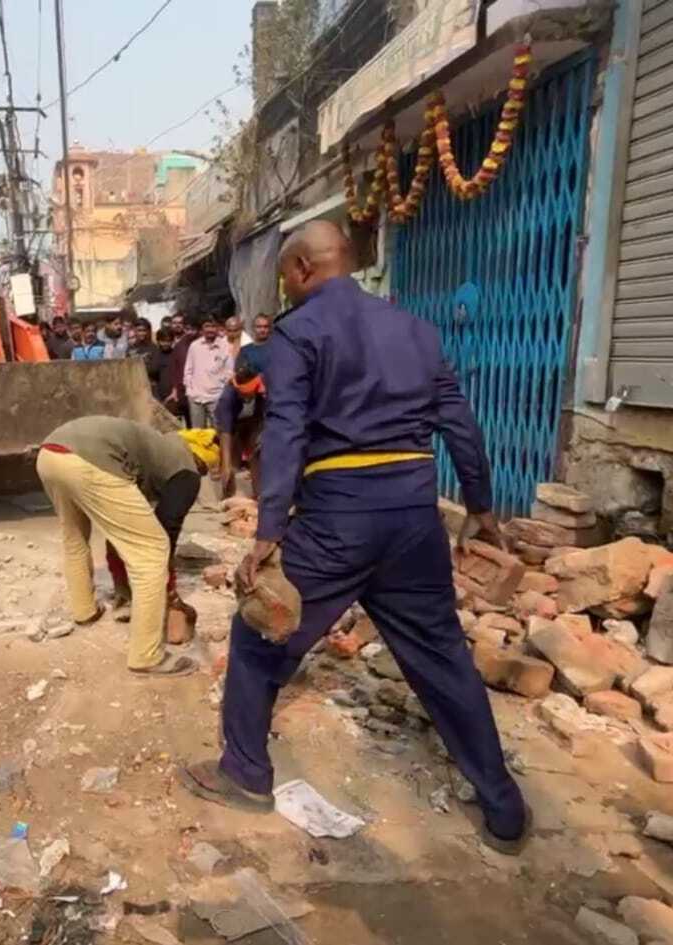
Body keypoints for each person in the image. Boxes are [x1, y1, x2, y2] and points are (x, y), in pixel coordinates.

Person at [178, 220, 530, 855]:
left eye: (284, 276)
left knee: (259, 633)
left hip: (338, 516)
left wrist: (269, 529)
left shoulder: (299, 332)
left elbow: (286, 430)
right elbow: (460, 423)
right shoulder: (416, 330)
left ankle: (245, 773)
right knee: (442, 656)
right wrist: (479, 505)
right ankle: (504, 808)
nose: (284, 289)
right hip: (415, 515)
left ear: (303, 269)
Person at [36, 416, 218, 677]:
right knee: (152, 552)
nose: (200, 475)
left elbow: (121, 528)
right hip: (89, 460)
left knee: (74, 537)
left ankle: (85, 611)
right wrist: (169, 589)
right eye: (204, 470)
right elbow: (167, 528)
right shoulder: (187, 472)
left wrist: (123, 584)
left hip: (51, 454)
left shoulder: (158, 449)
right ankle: (147, 656)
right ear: (200, 461)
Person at [215, 341, 270, 499]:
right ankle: (228, 494)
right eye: (242, 395)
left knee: (256, 452)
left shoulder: (264, 387)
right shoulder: (228, 398)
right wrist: (226, 465)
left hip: (256, 419)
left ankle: (259, 494)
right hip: (234, 423)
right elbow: (225, 433)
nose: (245, 398)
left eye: (248, 395)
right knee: (230, 459)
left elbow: (263, 419)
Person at [182, 317, 233, 429]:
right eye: (207, 326)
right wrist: (189, 389)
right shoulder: (194, 346)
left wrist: (221, 390)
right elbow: (188, 369)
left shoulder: (225, 346)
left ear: (217, 328)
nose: (210, 329)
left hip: (216, 397)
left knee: (219, 431)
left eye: (213, 326)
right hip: (196, 397)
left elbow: (230, 371)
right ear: (202, 329)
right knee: (198, 432)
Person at [130, 321, 160, 395]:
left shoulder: (154, 348)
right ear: (135, 331)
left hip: (150, 387)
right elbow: (127, 369)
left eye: (144, 330)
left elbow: (154, 369)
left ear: (148, 331)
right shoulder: (130, 348)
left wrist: (136, 367)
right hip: (134, 387)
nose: (142, 333)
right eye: (139, 330)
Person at [151, 329, 178, 407]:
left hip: (173, 395)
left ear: (172, 341)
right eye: (163, 341)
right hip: (156, 396)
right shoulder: (153, 354)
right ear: (158, 341)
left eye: (168, 341)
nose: (165, 343)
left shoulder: (176, 355)